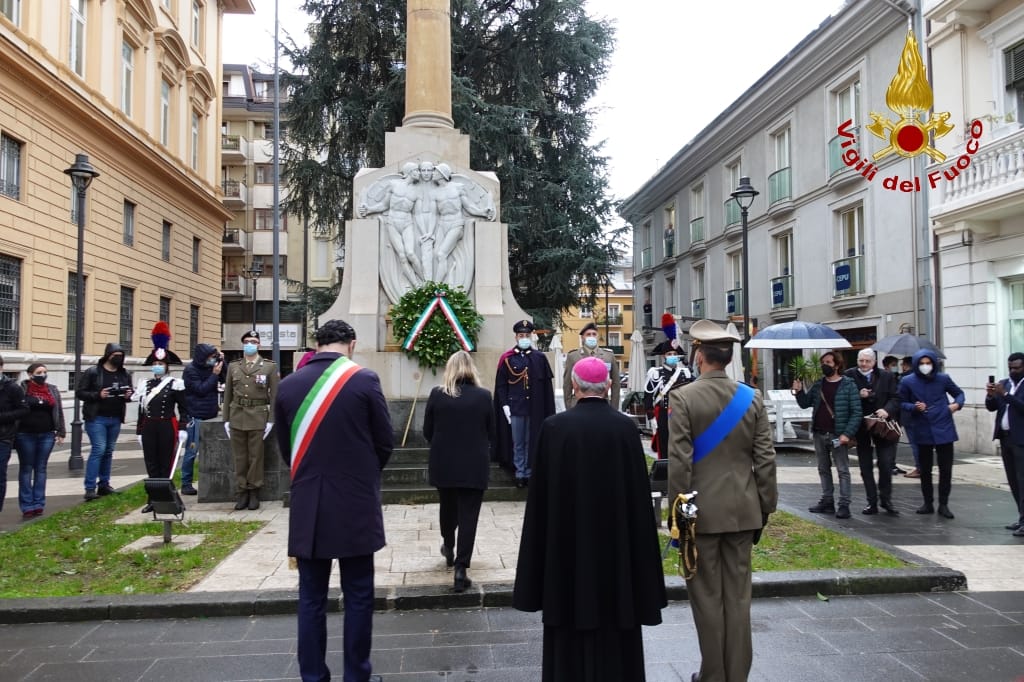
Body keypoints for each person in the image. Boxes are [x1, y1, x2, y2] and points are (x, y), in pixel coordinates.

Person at [513, 356, 666, 681]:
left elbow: (540, 503)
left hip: (566, 559)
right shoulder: (625, 429)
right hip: (616, 559)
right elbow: (638, 501)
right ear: (609, 386)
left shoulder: (553, 429)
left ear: (574, 386)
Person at [273, 319, 392, 682]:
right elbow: (384, 441)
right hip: (354, 502)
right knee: (358, 595)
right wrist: (362, 473)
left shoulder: (289, 384)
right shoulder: (364, 380)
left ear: (318, 344)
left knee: (310, 599)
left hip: (309, 503)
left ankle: (313, 676)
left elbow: (284, 448)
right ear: (351, 344)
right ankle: (357, 675)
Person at [667, 320, 777, 682]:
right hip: (744, 513)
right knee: (739, 599)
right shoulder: (752, 397)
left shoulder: (683, 397)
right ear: (728, 359)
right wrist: (765, 507)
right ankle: (737, 676)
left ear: (699, 355)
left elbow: (680, 463)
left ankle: (713, 675)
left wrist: (678, 516)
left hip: (700, 515)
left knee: (706, 599)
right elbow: (765, 459)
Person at [423, 350, 495, 592]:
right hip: (474, 463)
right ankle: (461, 568)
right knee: (469, 516)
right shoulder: (484, 397)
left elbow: (427, 430)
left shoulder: (437, 394)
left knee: (447, 506)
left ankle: (448, 543)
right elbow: (491, 430)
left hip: (445, 462)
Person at [793, 351, 860, 519]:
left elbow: (857, 412)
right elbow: (805, 404)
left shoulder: (848, 384)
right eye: (823, 362)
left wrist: (847, 433)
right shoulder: (819, 384)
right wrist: (798, 392)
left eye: (829, 362)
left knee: (842, 469)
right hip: (819, 433)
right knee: (823, 468)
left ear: (837, 365)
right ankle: (827, 501)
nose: (825, 365)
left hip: (838, 434)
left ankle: (844, 504)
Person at [898, 349, 964, 519]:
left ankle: (944, 504)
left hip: (943, 425)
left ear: (934, 364)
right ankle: (928, 502)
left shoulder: (943, 379)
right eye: (922, 363)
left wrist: (956, 405)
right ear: (916, 364)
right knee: (925, 469)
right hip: (922, 426)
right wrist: (914, 407)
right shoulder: (907, 381)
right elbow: (901, 402)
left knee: (945, 468)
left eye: (928, 363)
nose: (925, 366)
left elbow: (959, 394)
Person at [493, 320, 555, 487]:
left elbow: (547, 387)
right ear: (516, 337)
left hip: (535, 407)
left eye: (527, 335)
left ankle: (530, 471)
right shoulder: (507, 358)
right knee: (518, 442)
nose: (524, 338)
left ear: (531, 336)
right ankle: (520, 472)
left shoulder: (539, 358)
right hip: (515, 407)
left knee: (531, 440)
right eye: (521, 335)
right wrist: (505, 405)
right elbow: (501, 385)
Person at [223, 330, 279, 511]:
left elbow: (274, 396)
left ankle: (254, 491)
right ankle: (241, 491)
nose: (250, 344)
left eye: (253, 341)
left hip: (258, 415)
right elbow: (228, 394)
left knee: (255, 457)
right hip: (237, 414)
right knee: (239, 457)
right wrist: (226, 419)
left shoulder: (269, 366)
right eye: (247, 341)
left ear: (259, 345)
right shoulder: (234, 366)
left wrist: (271, 420)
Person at [135, 324, 189, 513]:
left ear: (167, 366)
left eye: (160, 364)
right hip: (150, 426)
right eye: (155, 364)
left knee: (166, 462)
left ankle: (167, 496)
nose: (157, 367)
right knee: (151, 461)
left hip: (167, 425)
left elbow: (183, 407)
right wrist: (139, 431)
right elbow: (142, 410)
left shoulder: (175, 383)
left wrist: (183, 428)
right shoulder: (145, 385)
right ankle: (153, 498)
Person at [844, 349, 901, 515]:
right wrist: (858, 395)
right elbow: (843, 397)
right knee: (865, 466)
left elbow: (896, 398)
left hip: (882, 426)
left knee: (885, 463)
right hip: (861, 427)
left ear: (874, 362)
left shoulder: (887, 376)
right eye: (861, 360)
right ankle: (871, 502)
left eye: (867, 361)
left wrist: (887, 410)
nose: (863, 364)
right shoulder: (849, 375)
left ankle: (886, 499)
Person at [77, 342, 134, 500]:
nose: (118, 359)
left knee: (108, 451)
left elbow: (129, 391)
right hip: (97, 418)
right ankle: (89, 487)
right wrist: (97, 395)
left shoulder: (124, 374)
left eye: (121, 356)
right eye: (115, 356)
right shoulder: (94, 372)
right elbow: (80, 392)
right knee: (99, 449)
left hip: (115, 417)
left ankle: (104, 484)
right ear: (108, 355)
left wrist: (128, 395)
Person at [15, 363, 64, 519]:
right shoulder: (22, 390)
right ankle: (27, 505)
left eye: (44, 372)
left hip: (47, 434)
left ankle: (39, 504)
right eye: (39, 372)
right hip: (25, 434)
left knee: (41, 468)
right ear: (30, 375)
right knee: (26, 469)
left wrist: (60, 430)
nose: (42, 375)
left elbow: (58, 411)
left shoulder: (52, 390)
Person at [986, 352, 1024, 536]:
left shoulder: (1011, 388)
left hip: (1021, 440)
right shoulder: (1005, 383)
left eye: (1017, 368)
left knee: (1023, 481)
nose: (1013, 371)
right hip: (1006, 438)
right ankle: (1021, 517)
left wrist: (1006, 394)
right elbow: (993, 407)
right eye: (1010, 368)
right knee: (1014, 481)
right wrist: (991, 396)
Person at [644, 316, 693, 459]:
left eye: (674, 354)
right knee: (664, 446)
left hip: (682, 414)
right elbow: (648, 397)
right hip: (664, 414)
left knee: (682, 447)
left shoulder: (685, 372)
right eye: (669, 354)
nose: (672, 356)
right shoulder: (655, 373)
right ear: (664, 356)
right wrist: (652, 418)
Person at [181, 343, 223, 495]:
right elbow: (201, 389)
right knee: (192, 451)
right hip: (196, 415)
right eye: (211, 357)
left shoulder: (210, 368)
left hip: (211, 414)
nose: (213, 360)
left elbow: (223, 378)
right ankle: (186, 483)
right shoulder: (190, 371)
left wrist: (221, 364)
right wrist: (214, 374)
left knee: (211, 450)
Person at [563, 322, 621, 410]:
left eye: (594, 334)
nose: (591, 336)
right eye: (588, 334)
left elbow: (616, 384)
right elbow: (567, 384)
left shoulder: (608, 356)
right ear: (582, 337)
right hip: (579, 404)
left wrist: (613, 407)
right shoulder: (573, 356)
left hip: (603, 404)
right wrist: (569, 406)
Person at [900, 355, 921, 478]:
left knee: (915, 443)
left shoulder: (905, 379)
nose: (901, 367)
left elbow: (900, 397)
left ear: (907, 365)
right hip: (921, 414)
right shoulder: (922, 377)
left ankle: (919, 468)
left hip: (910, 415)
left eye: (903, 364)